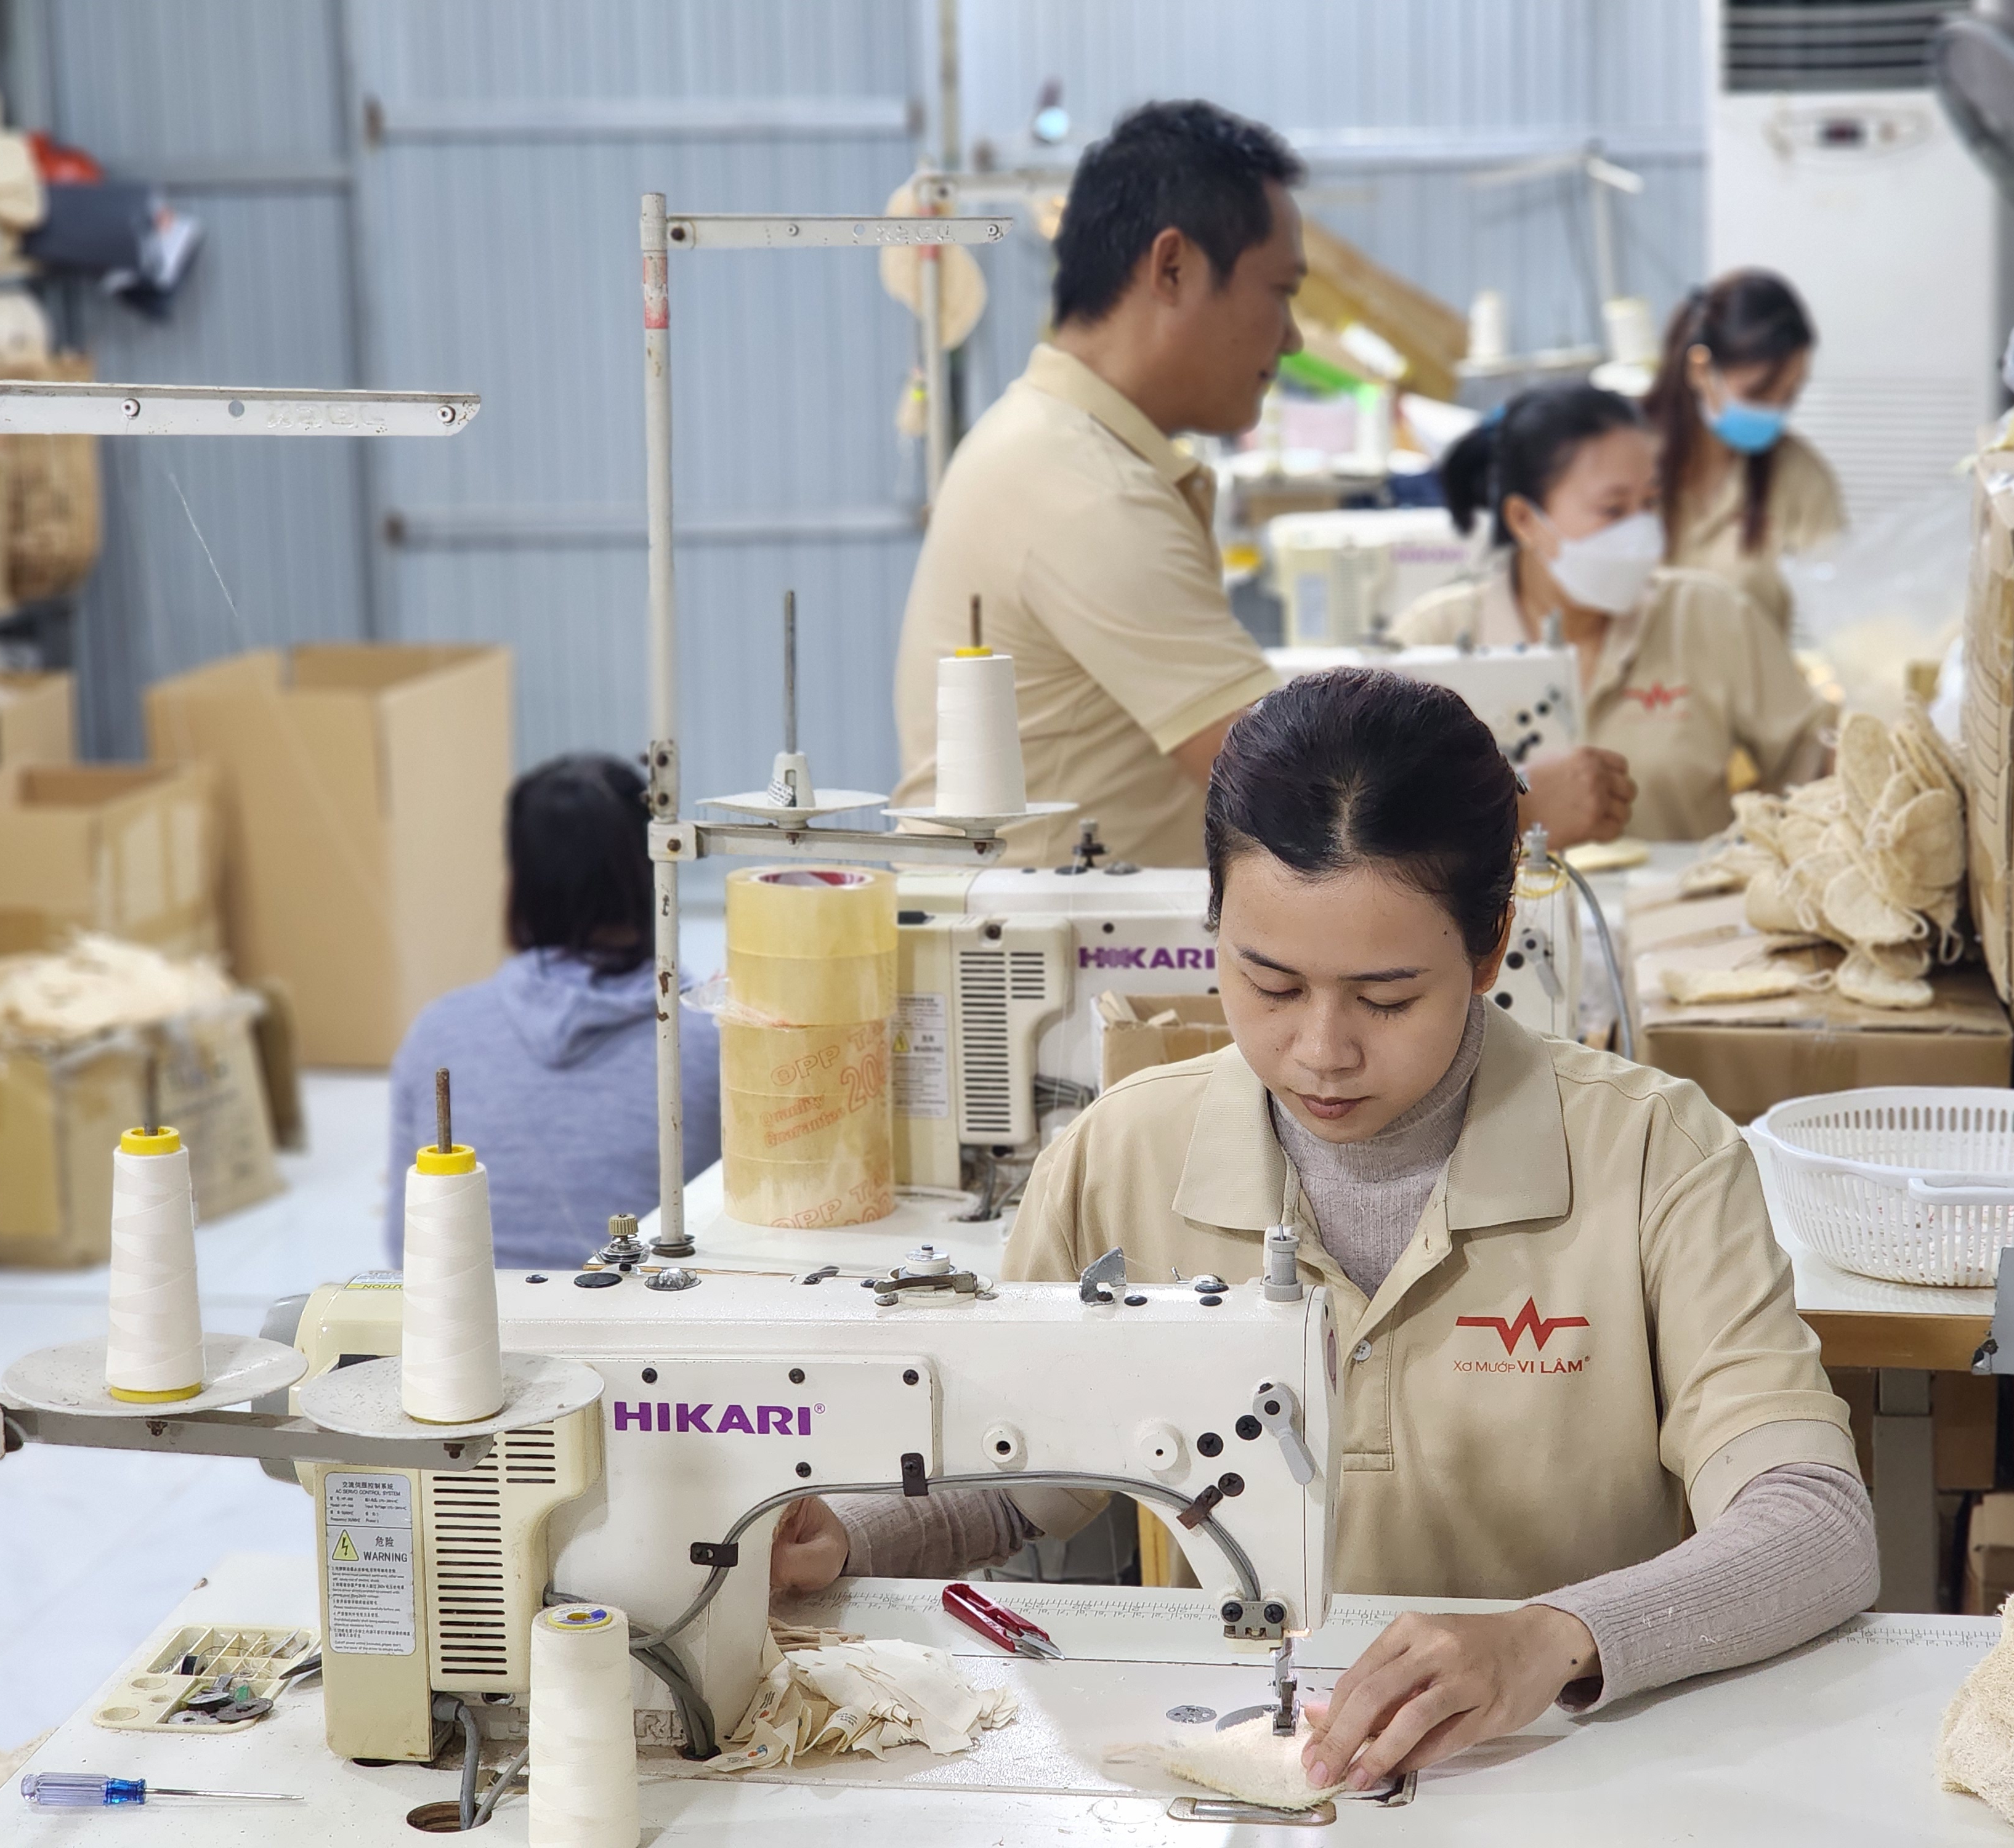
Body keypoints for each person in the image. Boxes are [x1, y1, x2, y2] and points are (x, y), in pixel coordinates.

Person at [772, 669, 1877, 1786]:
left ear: (1491, 951)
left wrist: (1549, 1638)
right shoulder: (1126, 1154)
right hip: (1255, 1747)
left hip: (1565, 1769)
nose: (1322, 1051)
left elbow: (1816, 1523)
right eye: (1270, 985)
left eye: (1387, 999)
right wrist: (851, 1532)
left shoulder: (1653, 1158)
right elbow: (1019, 1468)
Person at [890, 97, 1632, 865]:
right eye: (1280, 292)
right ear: (1172, 268)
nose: (1294, 335)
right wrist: (1522, 806)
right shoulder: (1083, 489)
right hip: (1062, 970)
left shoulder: (1052, 445)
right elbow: (1284, 795)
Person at [1390, 383, 1827, 840]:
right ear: (1525, 520)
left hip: (1683, 908)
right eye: (1613, 509)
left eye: (1650, 504)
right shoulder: (1431, 642)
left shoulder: (1712, 617)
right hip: (1511, 914)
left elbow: (1814, 765)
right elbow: (1363, 833)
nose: (1639, 534)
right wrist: (1516, 814)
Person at [384, 753, 718, 1270]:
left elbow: (402, 1250)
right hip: (656, 1336)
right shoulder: (714, 1035)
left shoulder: (438, 1033)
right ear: (655, 870)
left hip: (478, 1337)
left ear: (520, 880)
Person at [1642, 269, 1844, 636]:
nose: (1773, 412)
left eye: (1789, 396)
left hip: (1751, 691)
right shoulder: (1626, 463)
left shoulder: (1799, 476)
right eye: (1757, 393)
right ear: (1700, 369)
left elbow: (1841, 604)